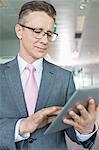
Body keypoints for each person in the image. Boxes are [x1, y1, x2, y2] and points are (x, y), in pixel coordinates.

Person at [0, 1, 98, 150]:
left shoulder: (64, 78)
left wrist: (85, 130)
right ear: (19, 31)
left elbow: (72, 129)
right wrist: (22, 126)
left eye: (49, 33)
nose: (45, 40)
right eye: (37, 31)